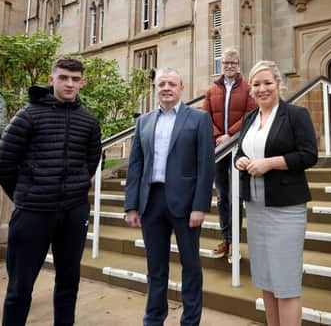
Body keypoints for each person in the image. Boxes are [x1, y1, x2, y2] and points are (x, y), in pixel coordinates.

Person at [0, 56, 102, 326]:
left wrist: (73, 190)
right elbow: (4, 164)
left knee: (68, 282)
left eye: (75, 79)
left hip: (73, 213)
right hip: (33, 212)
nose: (69, 84)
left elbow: (90, 163)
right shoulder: (28, 115)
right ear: (52, 79)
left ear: (82, 83)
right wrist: (27, 194)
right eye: (64, 77)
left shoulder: (89, 122)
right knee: (20, 287)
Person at [124, 67, 215, 326]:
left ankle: (190, 321)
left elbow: (205, 166)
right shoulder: (144, 121)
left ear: (181, 89)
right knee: (155, 268)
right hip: (151, 202)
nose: (166, 88)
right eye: (161, 83)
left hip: (186, 205)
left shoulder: (198, 119)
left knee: (191, 266)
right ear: (156, 88)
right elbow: (135, 166)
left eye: (171, 84)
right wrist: (131, 206)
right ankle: (153, 319)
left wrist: (200, 206)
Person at [234, 60, 318, 326]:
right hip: (256, 207)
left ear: (278, 84)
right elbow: (239, 153)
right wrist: (241, 162)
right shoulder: (249, 118)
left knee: (285, 281)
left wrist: (270, 163)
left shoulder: (295, 115)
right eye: (256, 84)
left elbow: (308, 155)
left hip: (285, 209)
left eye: (267, 83)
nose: (262, 89)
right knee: (266, 278)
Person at [202, 48, 256, 260]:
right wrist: (218, 136)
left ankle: (235, 242)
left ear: (238, 64)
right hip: (218, 150)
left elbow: (250, 115)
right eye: (226, 63)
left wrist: (230, 135)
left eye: (233, 63)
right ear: (221, 64)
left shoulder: (248, 88)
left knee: (236, 197)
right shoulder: (211, 90)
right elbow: (204, 116)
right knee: (223, 196)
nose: (229, 66)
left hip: (237, 148)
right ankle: (226, 238)